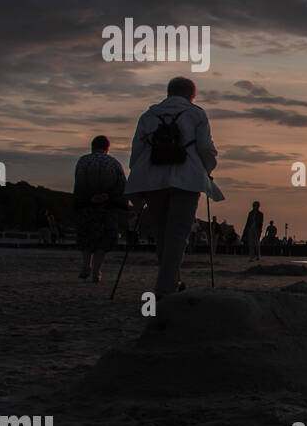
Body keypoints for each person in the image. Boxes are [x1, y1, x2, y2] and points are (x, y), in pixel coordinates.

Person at [124, 76, 223, 297]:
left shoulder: (148, 115)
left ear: (169, 92)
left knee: (161, 232)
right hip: (186, 179)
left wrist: (137, 175)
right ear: (192, 95)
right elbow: (206, 148)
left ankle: (170, 280)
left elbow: (137, 149)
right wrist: (207, 170)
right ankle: (166, 285)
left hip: (152, 178)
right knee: (178, 233)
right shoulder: (196, 113)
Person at [72, 135, 126, 283]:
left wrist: (88, 198)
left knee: (86, 236)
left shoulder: (83, 161)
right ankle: (97, 271)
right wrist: (108, 196)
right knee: (104, 239)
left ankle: (85, 266)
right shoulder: (114, 163)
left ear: (92, 146)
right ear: (107, 148)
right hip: (108, 206)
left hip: (87, 205)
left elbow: (79, 182)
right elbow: (121, 185)